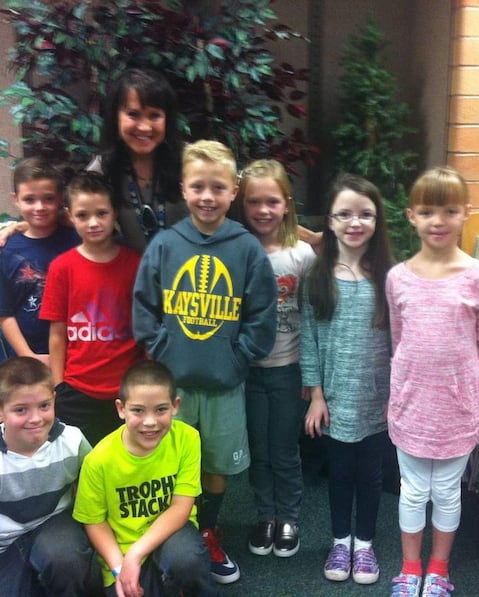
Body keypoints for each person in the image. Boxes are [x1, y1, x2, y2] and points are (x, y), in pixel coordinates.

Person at [132, 140, 278, 584]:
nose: (208, 196)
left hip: (224, 385)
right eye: (198, 186)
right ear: (183, 188)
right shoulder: (165, 245)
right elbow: (145, 308)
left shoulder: (246, 248)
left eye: (218, 187)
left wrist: (239, 359)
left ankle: (207, 531)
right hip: (171, 390)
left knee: (215, 466)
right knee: (169, 466)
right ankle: (170, 536)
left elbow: (262, 315)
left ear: (234, 190)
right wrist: (164, 350)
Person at [385, 166, 479, 597]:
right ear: (412, 215)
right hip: (412, 402)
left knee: (448, 491)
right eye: (428, 211)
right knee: (412, 492)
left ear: (466, 213)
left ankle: (438, 569)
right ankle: (409, 567)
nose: (438, 221)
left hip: (457, 403)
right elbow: (400, 339)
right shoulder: (398, 277)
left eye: (449, 210)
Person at [301, 173, 392, 586]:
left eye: (365, 215)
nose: (355, 223)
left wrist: (398, 397)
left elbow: (401, 343)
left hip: (377, 400)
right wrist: (316, 396)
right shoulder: (317, 278)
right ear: (330, 221)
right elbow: (310, 340)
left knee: (371, 476)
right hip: (335, 399)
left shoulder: (390, 277)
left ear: (378, 221)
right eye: (345, 214)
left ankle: (365, 545)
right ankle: (340, 540)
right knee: (339, 475)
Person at [0, 68, 187, 255]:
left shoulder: (191, 163)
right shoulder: (105, 167)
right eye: (133, 114)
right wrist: (20, 227)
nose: (144, 127)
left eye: (154, 116)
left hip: (190, 280)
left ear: (167, 119)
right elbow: (74, 212)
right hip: (131, 282)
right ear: (115, 117)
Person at [0, 356, 98, 597]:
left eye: (44, 406)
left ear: (54, 401)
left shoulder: (73, 441)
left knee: (65, 560)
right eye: (21, 410)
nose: (36, 419)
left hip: (54, 527)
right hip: (3, 545)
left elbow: (94, 496)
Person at [73, 360, 221, 597]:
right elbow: (94, 521)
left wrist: (137, 553)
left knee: (187, 561)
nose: (150, 421)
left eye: (161, 409)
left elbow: (181, 508)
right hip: (120, 550)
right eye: (138, 410)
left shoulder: (187, 439)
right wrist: (120, 566)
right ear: (121, 409)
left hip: (172, 535)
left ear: (175, 406)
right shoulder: (98, 459)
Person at [235, 159, 315, 558]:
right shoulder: (236, 251)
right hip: (247, 371)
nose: (263, 210)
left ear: (286, 203)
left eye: (272, 201)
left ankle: (289, 518)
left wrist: (314, 376)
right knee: (258, 450)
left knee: (284, 449)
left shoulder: (301, 256)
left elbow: (315, 318)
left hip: (289, 369)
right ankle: (265, 515)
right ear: (242, 204)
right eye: (254, 202)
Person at [40, 171, 144, 445]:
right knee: (79, 467)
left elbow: (147, 327)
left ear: (115, 213)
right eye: (83, 215)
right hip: (76, 390)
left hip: (127, 389)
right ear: (70, 215)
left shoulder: (136, 264)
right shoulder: (61, 268)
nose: (93, 223)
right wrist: (58, 385)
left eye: (102, 213)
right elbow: (57, 333)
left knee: (126, 465)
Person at [0, 157, 80, 366]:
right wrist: (29, 356)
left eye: (48, 199)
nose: (39, 207)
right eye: (29, 199)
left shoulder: (78, 240)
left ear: (60, 199)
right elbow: (4, 311)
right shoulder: (7, 250)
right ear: (16, 199)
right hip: (29, 358)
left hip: (76, 354)